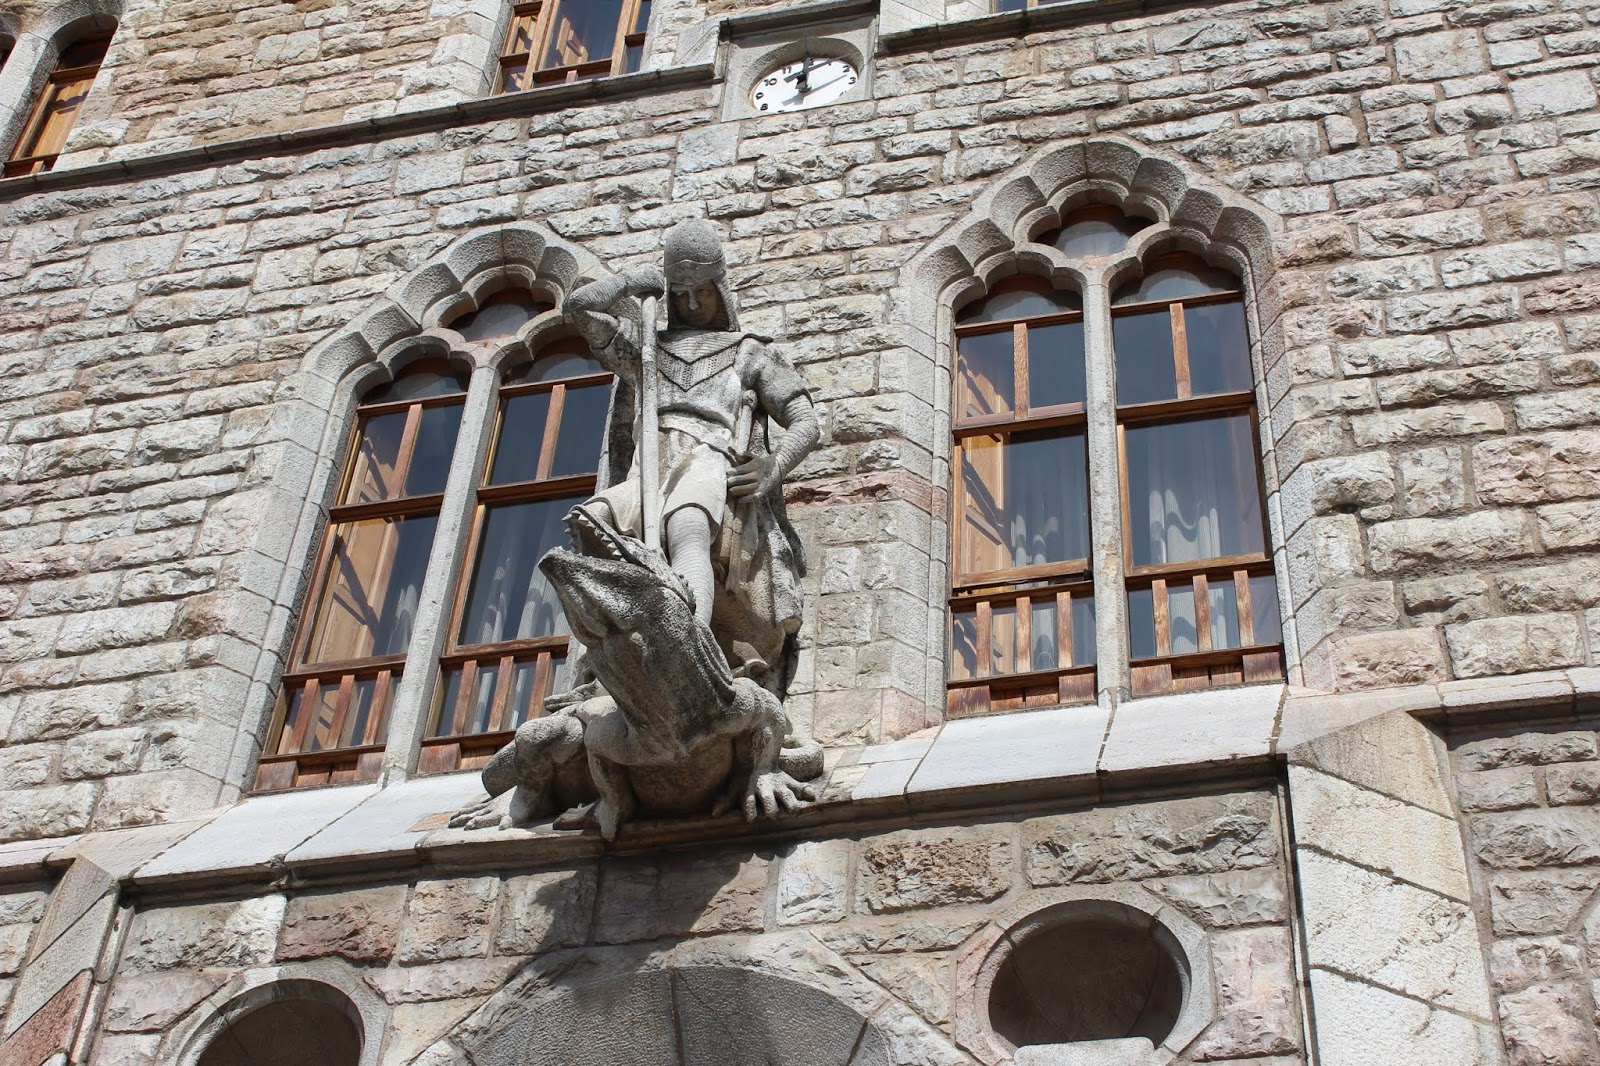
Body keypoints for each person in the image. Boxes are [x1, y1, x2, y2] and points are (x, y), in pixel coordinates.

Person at [564, 218, 819, 690]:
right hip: (649, 465)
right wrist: (629, 282)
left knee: (688, 528)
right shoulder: (645, 346)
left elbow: (805, 420)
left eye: (701, 290)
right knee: (593, 526)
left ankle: (693, 645)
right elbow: (579, 308)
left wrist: (772, 467)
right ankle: (617, 652)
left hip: (708, 456)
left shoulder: (749, 352)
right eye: (680, 293)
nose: (693, 303)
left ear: (720, 287)